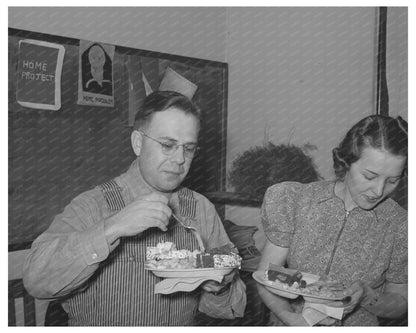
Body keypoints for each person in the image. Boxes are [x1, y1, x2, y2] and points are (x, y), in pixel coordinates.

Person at [23, 91, 243, 326]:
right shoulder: (93, 205)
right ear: (138, 143)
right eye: (168, 145)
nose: (180, 159)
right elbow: (36, 282)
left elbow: (230, 308)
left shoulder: (201, 209)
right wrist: (111, 228)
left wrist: (220, 285)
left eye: (188, 148)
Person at [256, 115, 408, 326]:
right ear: (346, 162)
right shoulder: (295, 200)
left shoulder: (401, 225)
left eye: (393, 180)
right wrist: (291, 319)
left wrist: (366, 296)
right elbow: (266, 276)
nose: (379, 191)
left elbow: (401, 303)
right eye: (370, 176)